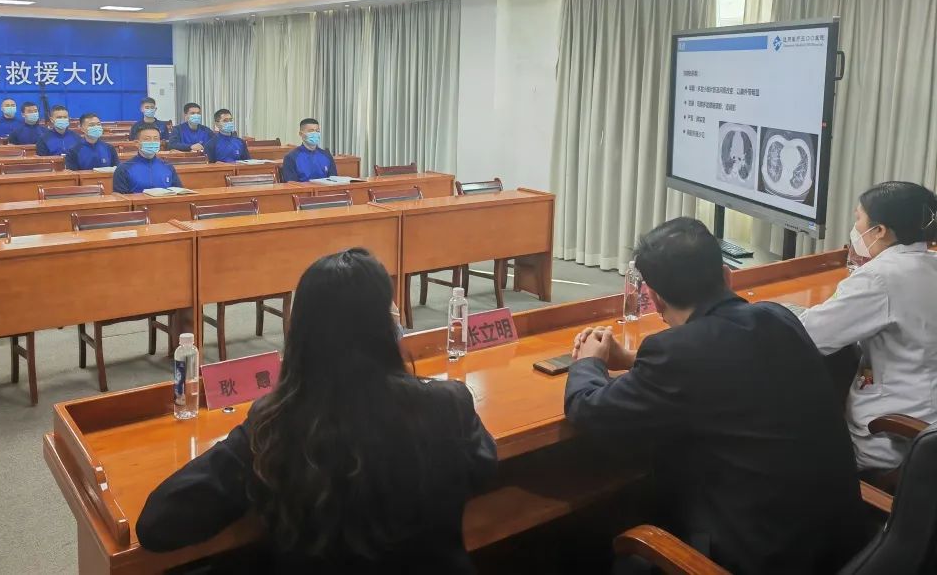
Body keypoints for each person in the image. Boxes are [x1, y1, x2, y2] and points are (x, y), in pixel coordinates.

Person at [136, 248, 497, 572]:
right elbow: (484, 469)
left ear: (298, 336)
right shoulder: (449, 404)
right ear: (387, 330)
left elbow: (158, 523)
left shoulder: (275, 424)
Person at [565, 217, 864, 575]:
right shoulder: (778, 318)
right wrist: (632, 360)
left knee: (624, 554)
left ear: (655, 299)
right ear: (727, 275)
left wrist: (588, 363)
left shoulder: (676, 353)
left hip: (761, 557)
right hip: (845, 549)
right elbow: (724, 366)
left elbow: (587, 410)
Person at [798, 181, 937, 482]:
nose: (855, 227)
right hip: (926, 423)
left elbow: (809, 335)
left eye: (858, 218)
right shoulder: (930, 263)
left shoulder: (880, 278)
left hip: (891, 439)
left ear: (880, 231)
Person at [112, 126, 182, 193]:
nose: (152, 142)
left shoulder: (168, 167)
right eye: (147, 139)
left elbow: (179, 193)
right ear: (137, 143)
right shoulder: (124, 169)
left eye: (156, 139)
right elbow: (120, 197)